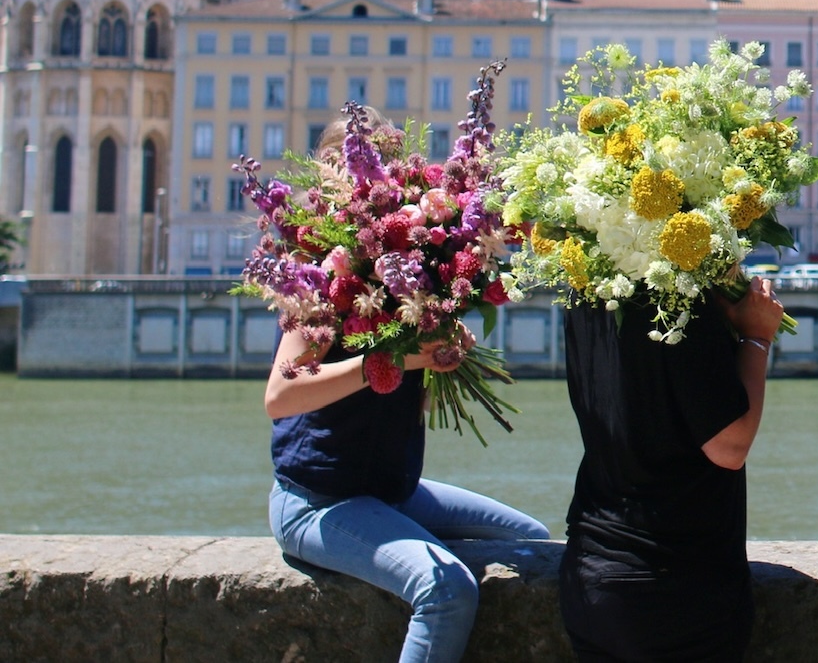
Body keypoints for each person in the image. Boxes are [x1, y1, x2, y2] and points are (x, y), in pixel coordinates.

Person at [265, 113, 549, 663]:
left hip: (390, 489)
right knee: (446, 589)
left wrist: (440, 346)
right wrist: (382, 360)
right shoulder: (318, 278)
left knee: (533, 541)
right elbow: (281, 396)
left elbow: (403, 398)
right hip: (317, 501)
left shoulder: (404, 266)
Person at [558, 276, 786, 662]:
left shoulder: (584, 279)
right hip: (674, 586)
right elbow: (729, 445)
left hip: (590, 571)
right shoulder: (676, 298)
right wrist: (757, 337)